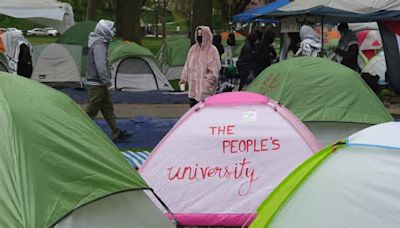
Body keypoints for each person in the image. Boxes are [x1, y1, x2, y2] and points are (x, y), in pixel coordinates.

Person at [85, 19, 132, 142]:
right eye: (111, 29)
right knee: (91, 111)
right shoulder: (99, 45)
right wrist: (108, 83)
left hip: (99, 84)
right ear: (104, 30)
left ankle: (116, 132)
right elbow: (100, 67)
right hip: (97, 85)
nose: (113, 31)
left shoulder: (100, 43)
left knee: (107, 108)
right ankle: (80, 133)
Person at [179, 26, 221, 107]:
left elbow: (213, 72)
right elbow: (187, 65)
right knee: (193, 114)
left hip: (205, 94)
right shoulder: (193, 49)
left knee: (204, 116)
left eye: (201, 34)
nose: (199, 36)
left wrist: (206, 88)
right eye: (198, 34)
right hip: (192, 91)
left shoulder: (212, 50)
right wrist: (183, 78)